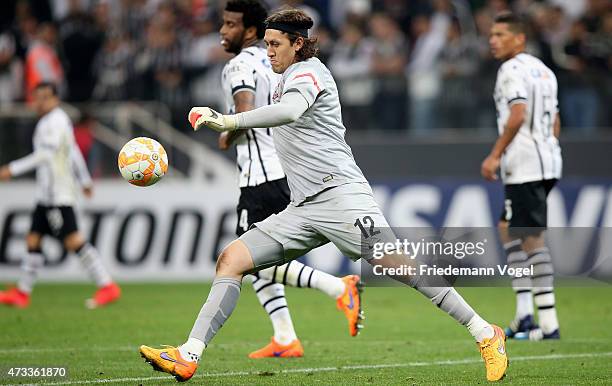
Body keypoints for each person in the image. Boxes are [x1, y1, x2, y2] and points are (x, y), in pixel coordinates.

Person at [140, 9, 508, 382]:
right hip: (302, 207)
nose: (268, 52)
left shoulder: (310, 72)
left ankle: (485, 332)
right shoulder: (283, 75)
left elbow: (289, 112)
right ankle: (189, 354)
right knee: (231, 259)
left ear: (298, 44)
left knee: (400, 267)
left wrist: (230, 120)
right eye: (266, 44)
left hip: (341, 196)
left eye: (275, 44)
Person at [216, 0, 364, 358]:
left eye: (230, 24)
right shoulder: (278, 67)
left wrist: (226, 129)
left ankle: (338, 287)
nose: (223, 31)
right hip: (286, 170)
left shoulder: (240, 64)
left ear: (250, 29)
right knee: (252, 261)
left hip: (261, 175)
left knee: (241, 259)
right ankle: (284, 336)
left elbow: (246, 108)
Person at [0, 82, 120, 309]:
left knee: (73, 240)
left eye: (45, 97)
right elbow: (72, 151)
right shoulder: (56, 120)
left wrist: (12, 169)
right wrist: (84, 180)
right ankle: (22, 293)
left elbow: (45, 155)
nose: (40, 102)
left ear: (55, 99)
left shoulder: (53, 122)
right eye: (37, 97)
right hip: (46, 196)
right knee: (33, 238)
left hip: (57, 195)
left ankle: (107, 286)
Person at [481, 12, 562, 341]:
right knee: (507, 228)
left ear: (519, 38)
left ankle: (548, 323)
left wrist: (495, 154)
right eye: (492, 34)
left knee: (531, 239)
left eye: (501, 34)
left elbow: (518, 113)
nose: (493, 40)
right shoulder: (544, 71)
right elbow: (555, 118)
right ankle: (525, 314)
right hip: (548, 160)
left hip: (525, 164)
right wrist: (549, 144)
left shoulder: (510, 70)